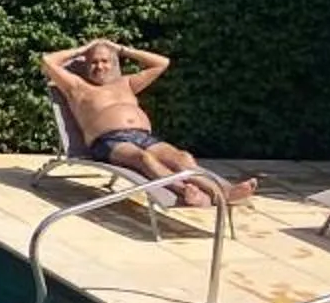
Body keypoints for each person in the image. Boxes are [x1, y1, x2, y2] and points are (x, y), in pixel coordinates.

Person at [40, 39, 257, 207]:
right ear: (87, 66)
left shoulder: (126, 82)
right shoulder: (77, 86)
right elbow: (48, 61)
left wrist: (122, 49)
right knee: (143, 158)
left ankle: (224, 191)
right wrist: (83, 50)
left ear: (114, 64)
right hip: (108, 141)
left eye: (105, 60)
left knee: (182, 157)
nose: (99, 66)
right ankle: (183, 190)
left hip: (144, 137)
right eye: (94, 62)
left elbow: (162, 63)